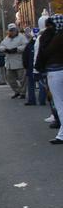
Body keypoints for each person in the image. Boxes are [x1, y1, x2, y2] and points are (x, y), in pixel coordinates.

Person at [34, 14, 63, 144]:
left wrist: (38, 69)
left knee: (60, 104)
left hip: (54, 72)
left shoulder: (52, 38)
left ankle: (62, 134)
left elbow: (44, 53)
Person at [0, 23, 28, 98]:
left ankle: (23, 93)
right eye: (10, 30)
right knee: (10, 79)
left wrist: (17, 49)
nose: (12, 32)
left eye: (13, 30)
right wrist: (4, 49)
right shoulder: (6, 38)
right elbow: (1, 46)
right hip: (9, 62)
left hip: (19, 61)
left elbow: (26, 45)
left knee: (22, 79)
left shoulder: (21, 37)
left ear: (16, 30)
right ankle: (17, 91)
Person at [23, 34, 38, 105]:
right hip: (40, 66)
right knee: (42, 83)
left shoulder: (29, 46)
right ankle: (43, 99)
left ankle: (31, 100)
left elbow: (25, 57)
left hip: (31, 67)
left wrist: (26, 66)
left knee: (31, 84)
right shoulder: (43, 42)